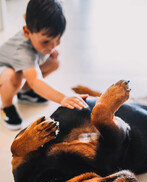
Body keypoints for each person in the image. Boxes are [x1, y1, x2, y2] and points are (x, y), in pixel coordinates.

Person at [0, 0, 88, 130]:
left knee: (53, 63)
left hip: (23, 66)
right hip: (4, 72)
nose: (52, 46)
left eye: (57, 39)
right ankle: (6, 107)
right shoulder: (23, 51)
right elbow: (36, 81)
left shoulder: (38, 37)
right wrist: (63, 98)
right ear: (26, 32)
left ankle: (26, 93)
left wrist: (47, 51)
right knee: (12, 77)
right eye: (46, 42)